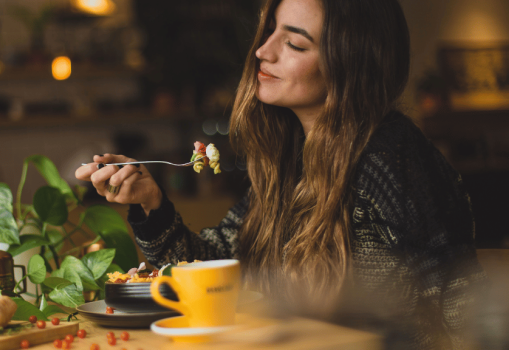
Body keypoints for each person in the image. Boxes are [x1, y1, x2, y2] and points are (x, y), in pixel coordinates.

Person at [76, 0, 485, 348]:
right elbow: (212, 270)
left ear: (350, 65)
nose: (262, 51)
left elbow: (454, 301)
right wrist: (151, 202)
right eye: (269, 31)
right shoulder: (291, 162)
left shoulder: (390, 154)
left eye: (293, 43)